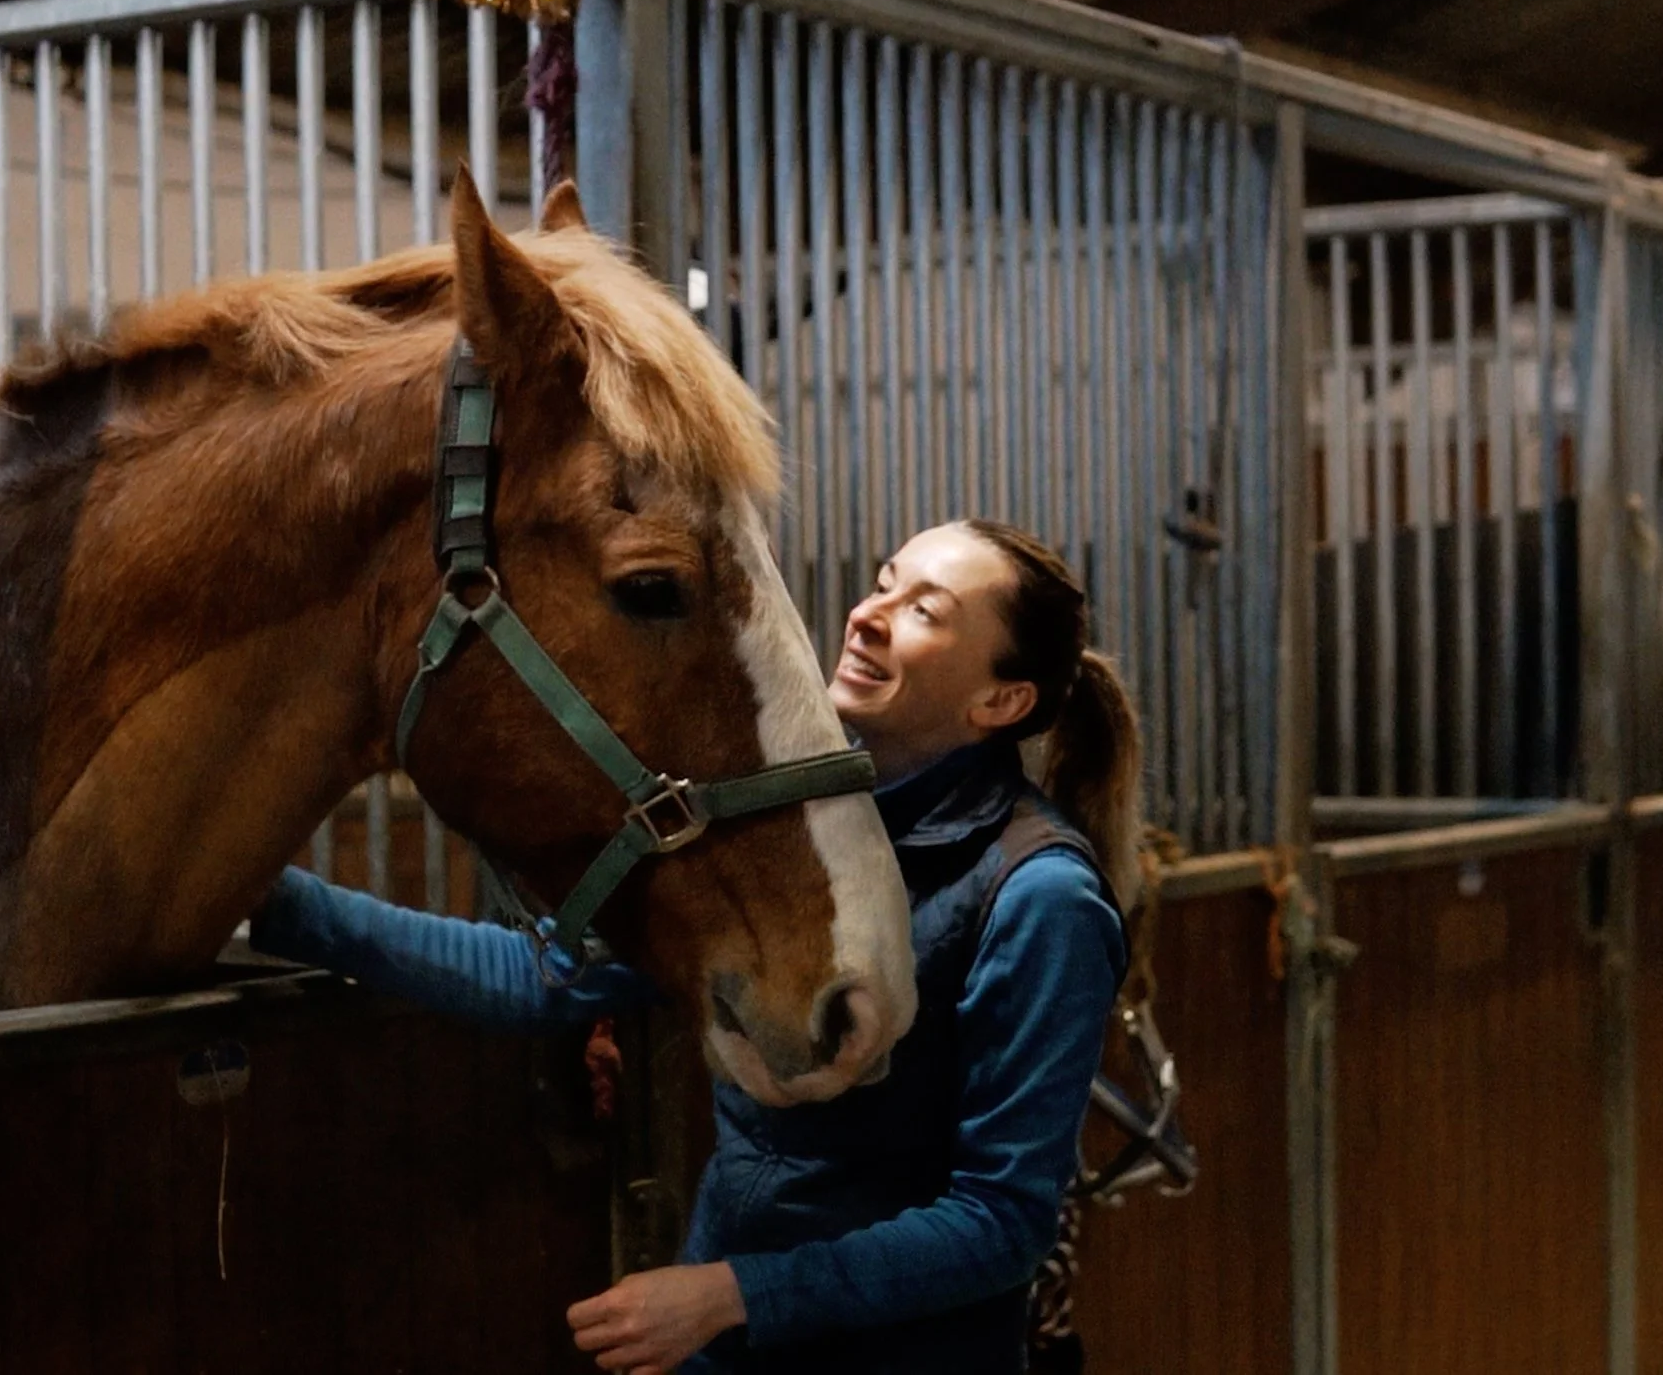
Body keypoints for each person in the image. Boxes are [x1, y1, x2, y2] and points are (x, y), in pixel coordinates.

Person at [248, 518, 1140, 1374]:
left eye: (924, 610)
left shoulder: (1041, 898)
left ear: (1001, 700)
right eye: (882, 584)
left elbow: (1001, 1223)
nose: (868, 614)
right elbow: (540, 978)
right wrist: (265, 897)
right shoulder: (787, 830)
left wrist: (729, 1295)